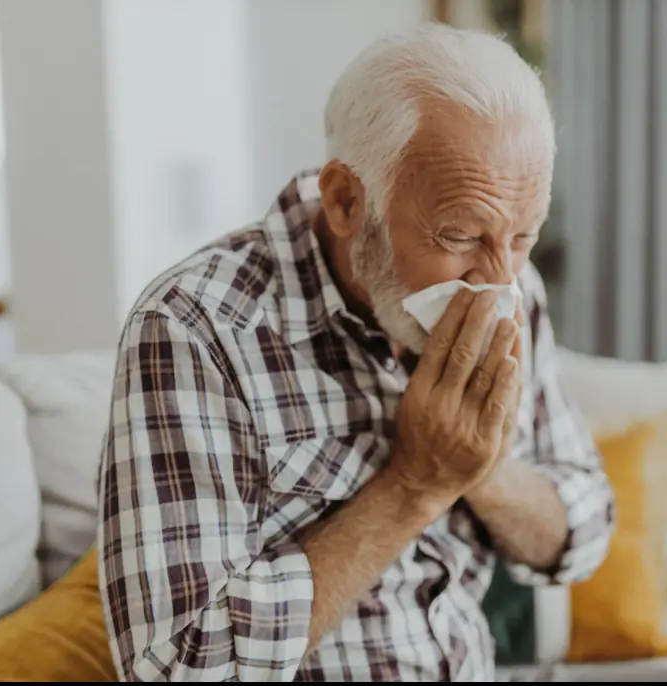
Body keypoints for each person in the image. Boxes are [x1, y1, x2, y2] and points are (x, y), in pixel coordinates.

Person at [96, 23, 614, 682]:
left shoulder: (512, 289)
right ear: (346, 200)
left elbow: (584, 535)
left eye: (522, 236)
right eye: (459, 234)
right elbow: (181, 668)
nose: (497, 282)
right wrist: (413, 485)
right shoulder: (195, 330)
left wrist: (479, 470)